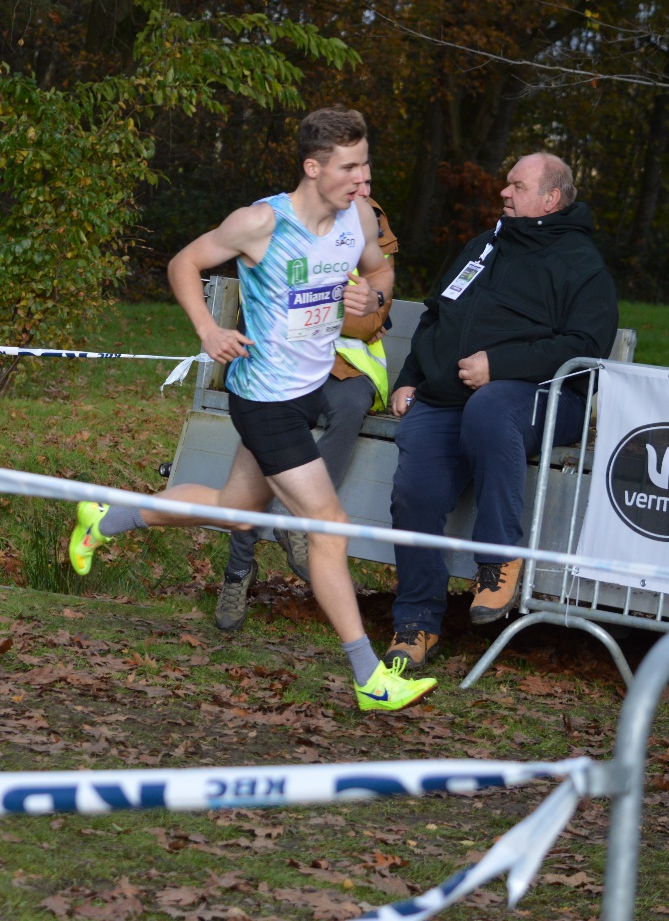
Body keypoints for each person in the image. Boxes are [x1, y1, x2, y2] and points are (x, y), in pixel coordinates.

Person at [66, 107, 437, 713]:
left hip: (308, 387)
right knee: (328, 523)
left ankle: (107, 519)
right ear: (313, 167)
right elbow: (182, 263)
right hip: (264, 398)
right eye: (349, 167)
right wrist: (209, 329)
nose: (362, 179)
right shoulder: (260, 223)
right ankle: (370, 676)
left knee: (235, 508)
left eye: (366, 164)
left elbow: (381, 272)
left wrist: (375, 296)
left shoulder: (359, 217)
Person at [383, 152, 619, 670]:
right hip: (447, 400)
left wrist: (502, 364)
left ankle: (499, 558)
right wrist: (409, 378)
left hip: (542, 400)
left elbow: (587, 349)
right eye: (506, 184)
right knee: (413, 494)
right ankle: (417, 623)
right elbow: (435, 316)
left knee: (490, 406)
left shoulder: (582, 265)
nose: (504, 193)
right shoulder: (483, 247)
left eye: (516, 185)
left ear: (550, 198)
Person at [214, 178, 399, 631]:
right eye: (350, 173)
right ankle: (239, 568)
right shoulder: (282, 218)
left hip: (340, 372)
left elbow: (374, 313)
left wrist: (346, 303)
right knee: (257, 450)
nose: (359, 186)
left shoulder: (367, 222)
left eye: (367, 178)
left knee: (352, 402)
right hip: (277, 368)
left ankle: (303, 521)